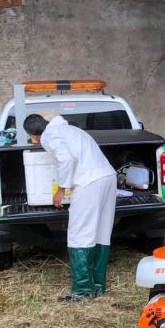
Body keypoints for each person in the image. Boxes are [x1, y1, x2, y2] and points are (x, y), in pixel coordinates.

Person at [24, 113, 117, 302]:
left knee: (79, 234)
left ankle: (82, 292)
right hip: (107, 177)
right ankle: (97, 285)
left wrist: (61, 189)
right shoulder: (72, 129)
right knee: (100, 232)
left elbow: (66, 160)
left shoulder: (49, 136)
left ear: (34, 136)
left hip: (89, 181)